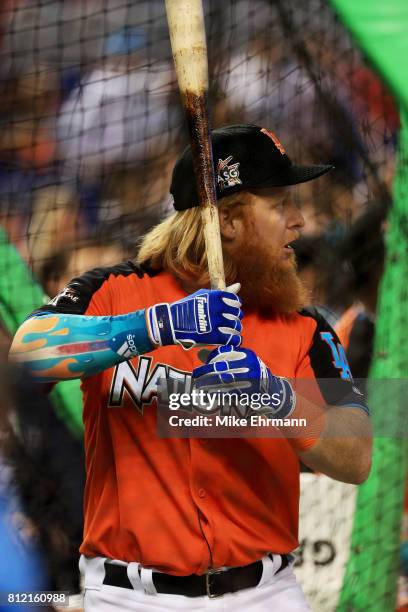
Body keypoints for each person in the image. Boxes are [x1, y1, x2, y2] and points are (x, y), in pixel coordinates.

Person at [10, 124, 372, 612]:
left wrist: (275, 397)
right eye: (280, 203)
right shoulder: (114, 292)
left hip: (265, 594)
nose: (300, 220)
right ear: (227, 221)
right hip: (127, 597)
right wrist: (156, 326)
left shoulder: (302, 325)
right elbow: (27, 353)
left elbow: (356, 457)